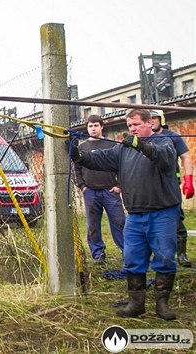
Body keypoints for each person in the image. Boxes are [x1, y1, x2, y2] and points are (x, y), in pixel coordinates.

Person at [70, 109, 181, 320]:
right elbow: (99, 159)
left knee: (165, 258)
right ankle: (136, 303)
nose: (132, 129)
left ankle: (162, 304)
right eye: (130, 125)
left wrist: (141, 146)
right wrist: (78, 155)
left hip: (162, 212)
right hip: (135, 215)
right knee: (132, 258)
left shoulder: (164, 142)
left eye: (137, 124)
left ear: (150, 123)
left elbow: (164, 160)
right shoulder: (123, 149)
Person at [74, 115, 125, 265]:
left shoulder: (111, 144)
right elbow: (77, 168)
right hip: (90, 191)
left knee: (119, 222)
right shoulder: (82, 147)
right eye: (90, 126)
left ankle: (126, 252)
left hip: (110, 191)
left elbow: (121, 166)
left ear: (102, 126)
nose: (93, 128)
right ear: (87, 128)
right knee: (92, 225)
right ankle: (98, 254)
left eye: (96, 125)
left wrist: (119, 186)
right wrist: (82, 186)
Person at [149, 110, 194, 267]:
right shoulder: (141, 138)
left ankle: (181, 254)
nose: (152, 121)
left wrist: (188, 180)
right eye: (149, 118)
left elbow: (186, 157)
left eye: (154, 117)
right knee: (151, 220)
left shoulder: (172, 137)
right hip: (149, 185)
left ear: (161, 119)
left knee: (176, 217)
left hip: (170, 185)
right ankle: (156, 253)